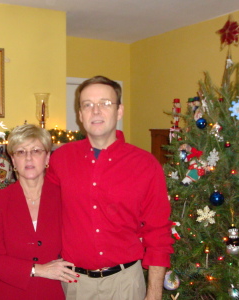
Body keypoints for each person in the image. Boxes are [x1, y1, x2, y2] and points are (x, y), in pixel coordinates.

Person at [46, 75, 174, 300]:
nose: (95, 111)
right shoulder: (61, 159)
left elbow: (158, 231)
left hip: (125, 283)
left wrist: (154, 293)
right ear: (80, 114)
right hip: (75, 284)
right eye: (87, 105)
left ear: (119, 111)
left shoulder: (145, 164)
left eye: (105, 103)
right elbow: (46, 213)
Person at [0, 124, 78, 300]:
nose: (29, 158)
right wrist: (37, 269)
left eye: (36, 151)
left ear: (47, 157)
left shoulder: (65, 197)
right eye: (21, 152)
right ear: (13, 160)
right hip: (8, 293)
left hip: (54, 292)